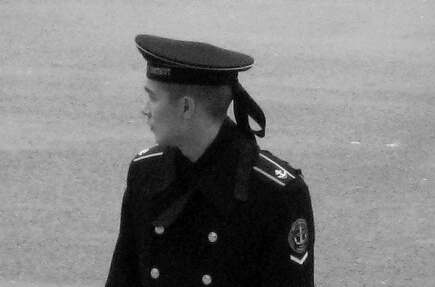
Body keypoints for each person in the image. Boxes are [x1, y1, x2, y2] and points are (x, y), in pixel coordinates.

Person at [104, 34, 315, 287]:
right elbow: (123, 278)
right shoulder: (146, 173)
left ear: (186, 107)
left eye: (153, 97)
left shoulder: (275, 194)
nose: (145, 109)